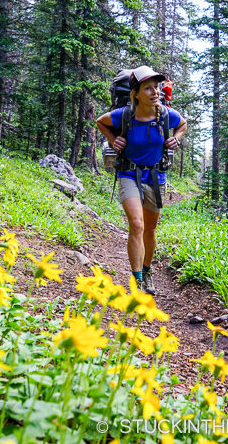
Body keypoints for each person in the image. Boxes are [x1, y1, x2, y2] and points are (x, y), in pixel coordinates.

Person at [96, 66, 187, 295]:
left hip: (156, 176)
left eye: (156, 87)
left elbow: (183, 124)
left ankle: (147, 272)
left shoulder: (167, 114)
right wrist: (114, 139)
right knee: (137, 224)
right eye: (148, 88)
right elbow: (101, 122)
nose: (154, 92)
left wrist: (175, 138)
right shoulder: (124, 115)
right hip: (129, 173)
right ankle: (137, 281)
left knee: (150, 229)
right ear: (136, 93)